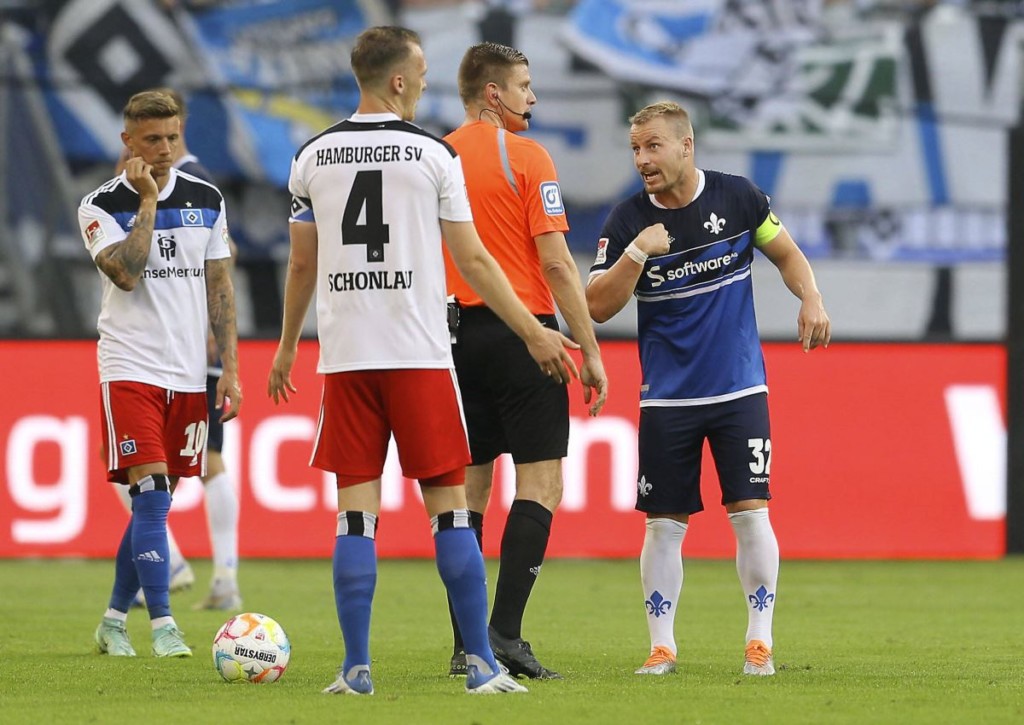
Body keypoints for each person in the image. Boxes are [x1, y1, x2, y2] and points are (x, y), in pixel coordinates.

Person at [267, 25, 579, 696]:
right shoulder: (433, 156)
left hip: (347, 356)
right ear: (400, 80)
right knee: (449, 509)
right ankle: (481, 666)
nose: (431, 83)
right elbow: (473, 259)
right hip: (418, 353)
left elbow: (301, 261)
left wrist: (289, 345)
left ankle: (355, 670)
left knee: (355, 512)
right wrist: (532, 330)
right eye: (423, 73)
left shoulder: (312, 155)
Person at [585, 101, 831, 677]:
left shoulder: (739, 197)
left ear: (686, 146)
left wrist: (811, 296)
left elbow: (787, 253)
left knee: (750, 513)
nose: (642, 159)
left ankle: (760, 641)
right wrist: (639, 251)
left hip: (739, 390)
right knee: (664, 524)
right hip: (667, 397)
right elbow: (596, 305)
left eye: (653, 147)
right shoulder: (626, 221)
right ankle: (662, 646)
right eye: (635, 149)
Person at [441, 42, 608, 680]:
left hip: (453, 338)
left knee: (468, 490)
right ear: (494, 94)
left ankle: (465, 644)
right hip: (526, 338)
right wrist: (587, 347)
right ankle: (505, 635)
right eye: (525, 86)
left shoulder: (439, 156)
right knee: (541, 484)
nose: (532, 98)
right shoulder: (529, 157)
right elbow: (558, 263)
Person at [79, 90, 242, 658]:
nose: (166, 148)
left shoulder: (208, 198)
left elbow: (220, 286)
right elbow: (126, 273)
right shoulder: (98, 205)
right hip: (128, 366)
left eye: (173, 136)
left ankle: (113, 619)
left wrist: (230, 370)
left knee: (158, 500)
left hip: (187, 374)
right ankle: (165, 626)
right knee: (150, 496)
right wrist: (147, 201)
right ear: (128, 142)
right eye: (152, 139)